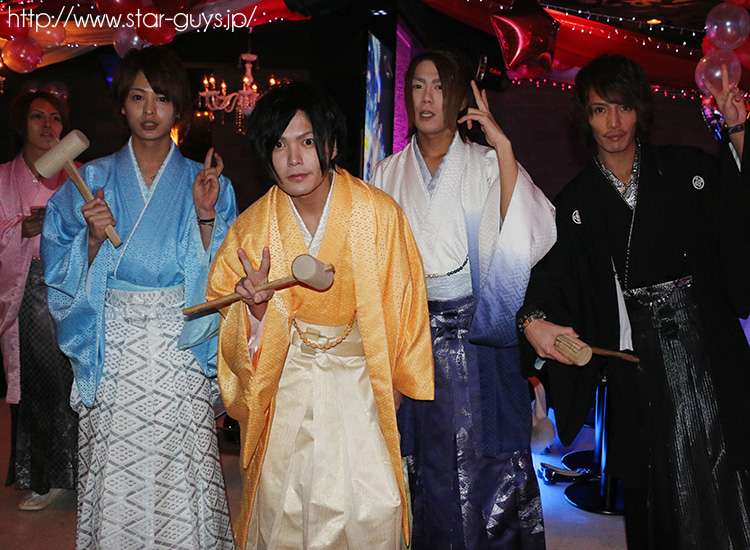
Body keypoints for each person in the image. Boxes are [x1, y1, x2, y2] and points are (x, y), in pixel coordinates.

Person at [518, 54, 750, 549]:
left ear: (640, 109)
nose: (614, 122)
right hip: (639, 362)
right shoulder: (577, 202)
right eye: (600, 109)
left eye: (623, 107)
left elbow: (736, 211)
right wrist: (533, 319)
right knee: (658, 486)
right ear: (585, 118)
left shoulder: (685, 167)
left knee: (728, 478)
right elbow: (556, 276)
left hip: (705, 347)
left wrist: (737, 131)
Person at [207, 81, 434, 549]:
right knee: (284, 507)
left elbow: (406, 302)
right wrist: (254, 311)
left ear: (330, 145)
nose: (294, 159)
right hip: (285, 383)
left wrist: (390, 390)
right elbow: (229, 331)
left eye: (307, 142)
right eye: (279, 145)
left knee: (371, 509)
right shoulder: (251, 230)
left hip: (362, 383)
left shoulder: (378, 214)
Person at [41, 46, 236, 549]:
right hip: (114, 344)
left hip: (180, 342)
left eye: (162, 98)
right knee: (116, 466)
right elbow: (59, 268)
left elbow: (223, 272)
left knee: (183, 468)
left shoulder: (205, 183)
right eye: (138, 97)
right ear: (122, 106)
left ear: (179, 107)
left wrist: (206, 215)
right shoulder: (92, 180)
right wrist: (91, 239)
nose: (150, 110)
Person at [369, 46, 556, 549]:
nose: (427, 98)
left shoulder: (487, 163)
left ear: (458, 100)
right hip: (414, 339)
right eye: (417, 86)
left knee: (490, 468)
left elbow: (530, 229)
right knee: (425, 469)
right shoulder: (386, 174)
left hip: (480, 337)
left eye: (439, 87)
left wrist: (504, 147)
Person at [0, 90, 78, 510]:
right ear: (21, 124)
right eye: (37, 116)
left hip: (73, 291)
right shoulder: (1, 179)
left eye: (55, 117)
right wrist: (20, 229)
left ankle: (77, 472)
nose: (48, 125)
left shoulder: (79, 174)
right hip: (27, 292)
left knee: (74, 382)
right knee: (41, 382)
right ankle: (45, 475)